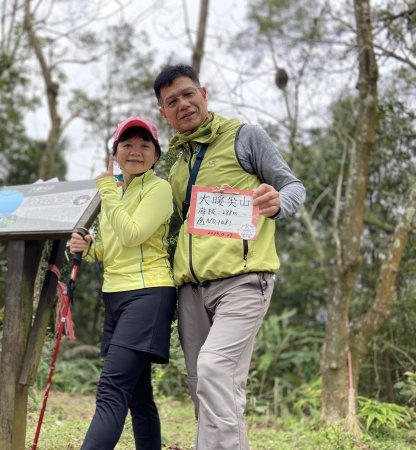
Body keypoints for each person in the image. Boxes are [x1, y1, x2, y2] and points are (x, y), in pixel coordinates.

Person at [152, 64, 306, 450]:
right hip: (190, 290)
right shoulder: (178, 164)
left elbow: (293, 187)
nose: (183, 104)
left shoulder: (245, 137)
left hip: (243, 281)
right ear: (164, 113)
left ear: (204, 93)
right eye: (173, 101)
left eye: (189, 94)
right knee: (203, 384)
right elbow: (157, 226)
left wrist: (277, 203)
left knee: (214, 369)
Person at [69, 116, 177, 450]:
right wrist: (87, 249)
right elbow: (110, 249)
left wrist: (106, 190)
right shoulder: (120, 192)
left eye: (145, 145)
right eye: (127, 144)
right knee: (138, 396)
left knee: (111, 390)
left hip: (148, 294)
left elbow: (132, 235)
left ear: (156, 156)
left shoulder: (159, 189)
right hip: (115, 296)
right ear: (115, 152)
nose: (136, 151)